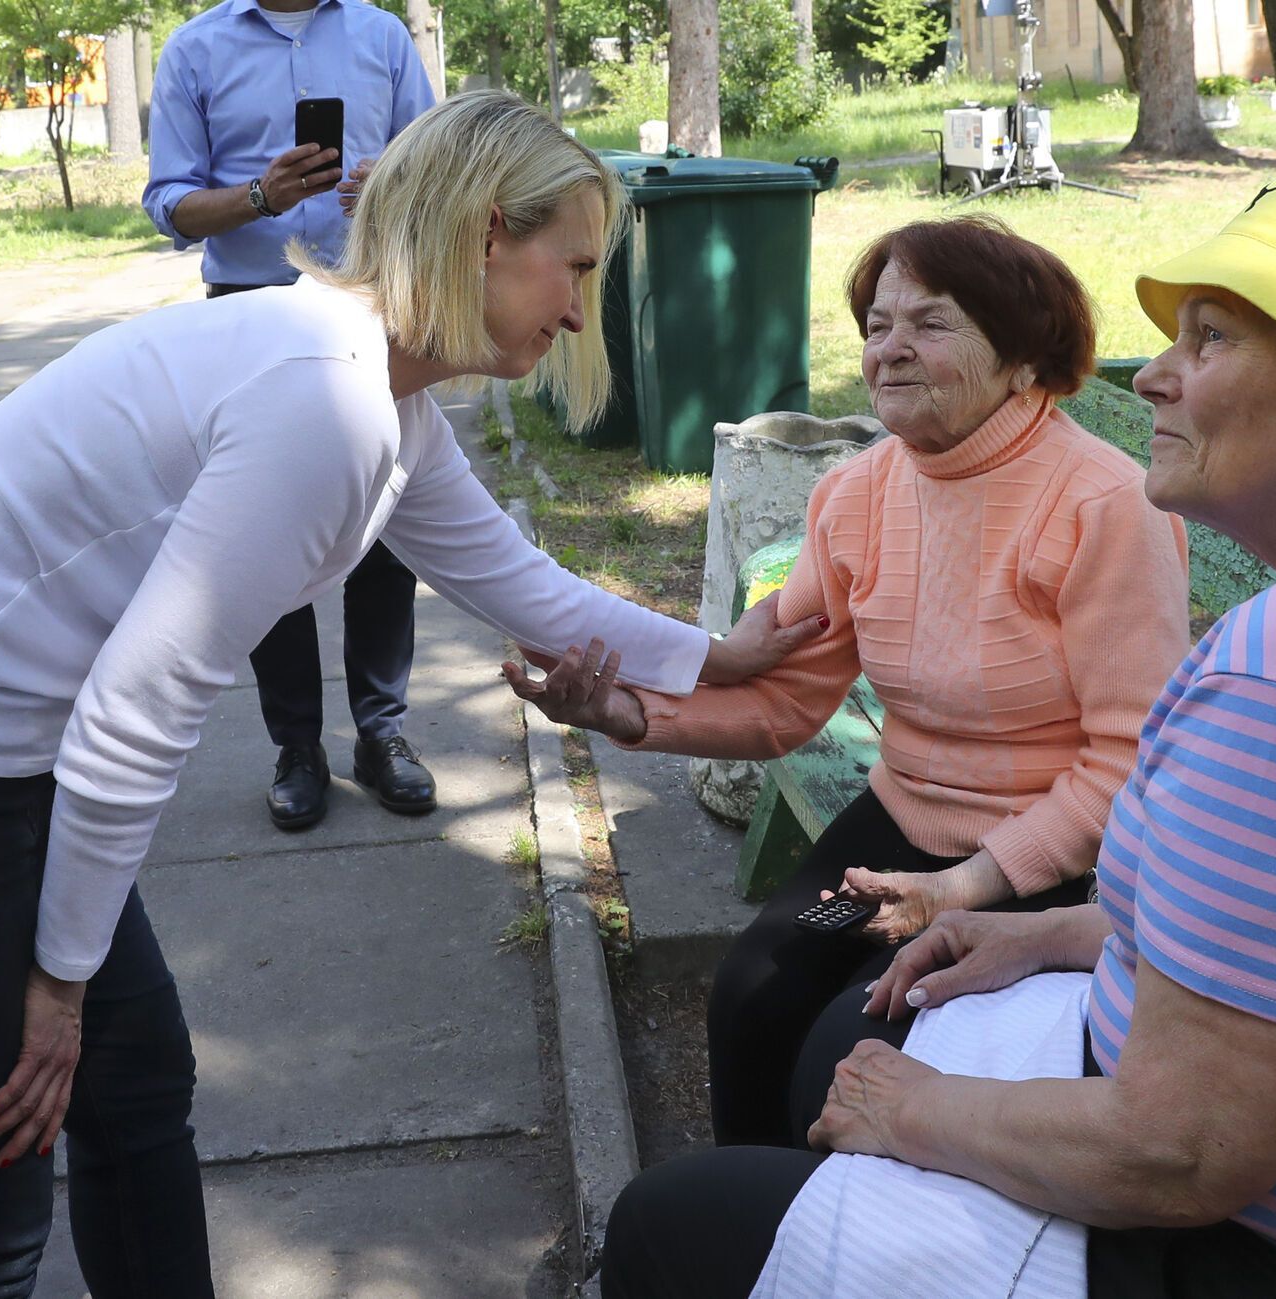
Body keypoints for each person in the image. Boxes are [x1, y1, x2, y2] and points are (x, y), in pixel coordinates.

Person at [0, 91, 819, 1295]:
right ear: (482, 232)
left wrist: (712, 657)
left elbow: (516, 580)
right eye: (571, 265)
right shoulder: (322, 399)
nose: (581, 306)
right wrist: (56, 987)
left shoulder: (378, 389)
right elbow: (137, 713)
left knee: (138, 1094)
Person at [594, 150, 1276, 1299]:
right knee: (826, 1030)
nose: (1153, 376)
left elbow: (1185, 1153)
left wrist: (920, 1112)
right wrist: (1059, 934)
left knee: (672, 1222)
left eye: (1209, 340)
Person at [509, 216, 1192, 1148]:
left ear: (1025, 359)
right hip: (900, 821)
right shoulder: (857, 493)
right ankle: (739, 1237)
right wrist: (625, 712)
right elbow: (786, 699)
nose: (890, 351)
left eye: (931, 324)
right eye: (876, 325)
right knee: (751, 997)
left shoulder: (1105, 507)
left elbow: (1127, 765)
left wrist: (966, 887)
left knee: (846, 1044)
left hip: (1054, 865)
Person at [143, 0, 438, 830]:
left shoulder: (382, 36)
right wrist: (257, 195)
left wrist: (395, 187)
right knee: (272, 540)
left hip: (373, 299)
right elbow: (167, 202)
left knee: (383, 530)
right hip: (248, 312)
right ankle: (297, 746)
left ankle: (382, 734)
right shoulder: (195, 49)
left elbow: (439, 170)